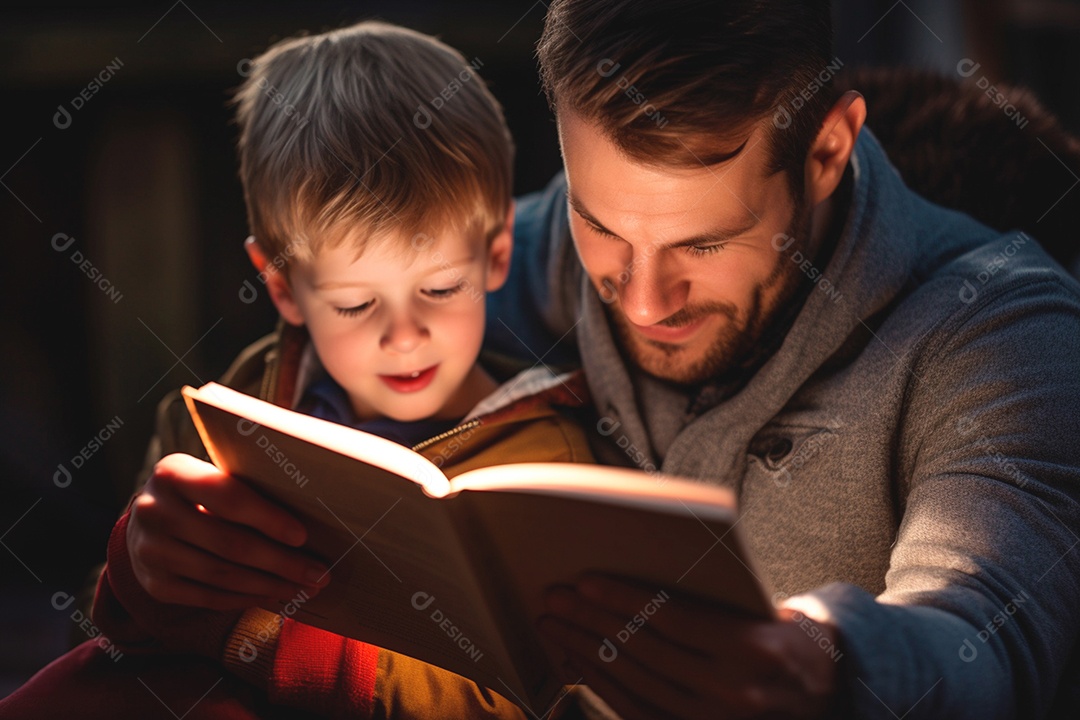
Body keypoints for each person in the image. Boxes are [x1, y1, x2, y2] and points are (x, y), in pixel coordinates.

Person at [479, 1, 1080, 718]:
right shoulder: (554, 243)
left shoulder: (1004, 331)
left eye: (703, 245)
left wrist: (830, 667)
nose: (641, 303)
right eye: (600, 225)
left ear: (827, 150)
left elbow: (987, 642)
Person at [0, 20, 595, 720]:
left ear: (497, 253)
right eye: (353, 303)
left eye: (439, 289)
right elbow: (101, 635)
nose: (404, 337)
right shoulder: (228, 418)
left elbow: (534, 697)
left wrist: (257, 640)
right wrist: (139, 567)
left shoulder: (554, 457)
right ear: (281, 286)